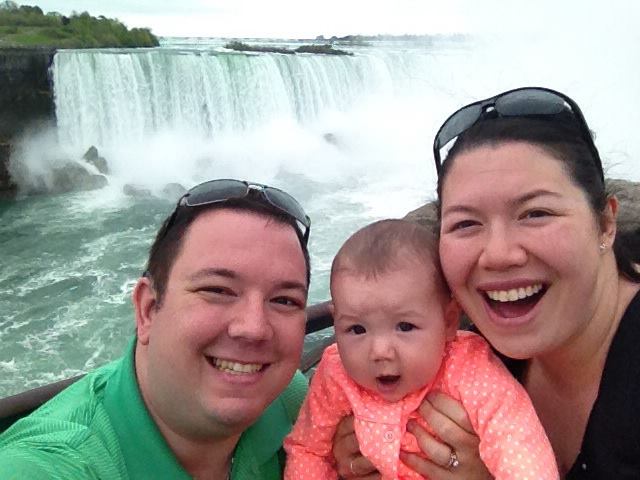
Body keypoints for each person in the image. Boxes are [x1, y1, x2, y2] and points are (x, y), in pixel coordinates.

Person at [334, 87, 640, 479]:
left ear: (605, 222)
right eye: (466, 223)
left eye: (535, 213)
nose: (497, 254)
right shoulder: (455, 348)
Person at [0, 178, 313, 479]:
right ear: (147, 309)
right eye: (218, 290)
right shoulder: (45, 467)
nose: (254, 328)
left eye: (284, 300)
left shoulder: (287, 400)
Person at [285, 219, 559, 479]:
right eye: (357, 330)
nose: (380, 351)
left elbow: (517, 444)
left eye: (405, 327)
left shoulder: (470, 369)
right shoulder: (335, 374)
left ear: (449, 321)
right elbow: (308, 449)